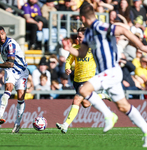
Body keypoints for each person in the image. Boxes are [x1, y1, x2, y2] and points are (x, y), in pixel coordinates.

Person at [59, 2, 147, 147]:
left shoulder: (100, 26)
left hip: (111, 71)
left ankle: (108, 115)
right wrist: (69, 49)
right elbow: (81, 53)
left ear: (82, 17)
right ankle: (146, 130)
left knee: (83, 90)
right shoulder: (88, 33)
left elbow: (122, 30)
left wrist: (141, 46)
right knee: (124, 107)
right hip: (108, 73)